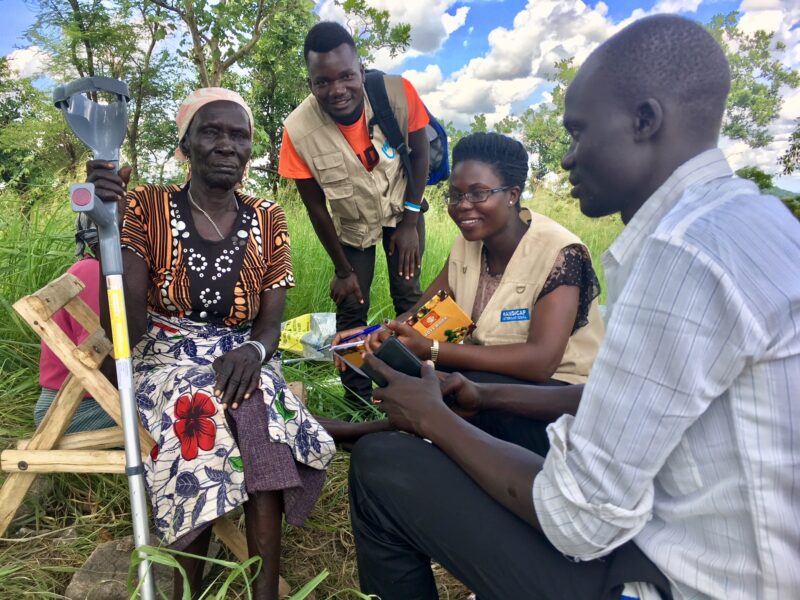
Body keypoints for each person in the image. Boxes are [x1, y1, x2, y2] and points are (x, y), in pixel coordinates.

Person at [346, 14, 800, 600]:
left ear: (645, 121)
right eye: (454, 194)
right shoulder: (757, 223)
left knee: (382, 470)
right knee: (475, 396)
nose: (567, 159)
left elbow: (580, 519)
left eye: (579, 133)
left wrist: (435, 418)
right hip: (719, 545)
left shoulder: (681, 255)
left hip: (683, 580)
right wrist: (478, 392)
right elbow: (645, 401)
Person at [88, 87, 335, 600]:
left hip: (236, 351)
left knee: (255, 398)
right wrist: (102, 225)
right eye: (212, 132)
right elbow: (129, 328)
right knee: (198, 406)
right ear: (186, 146)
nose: (227, 145)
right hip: (162, 352)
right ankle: (185, 587)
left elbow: (269, 325)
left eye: (239, 135)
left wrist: (254, 353)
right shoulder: (146, 206)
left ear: (249, 149)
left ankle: (264, 589)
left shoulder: (269, 217)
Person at [279, 21, 430, 406]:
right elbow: (315, 205)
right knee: (351, 308)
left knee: (409, 299)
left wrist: (411, 221)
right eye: (323, 82)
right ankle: (358, 405)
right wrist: (343, 270)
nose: (337, 90)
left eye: (346, 76)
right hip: (352, 225)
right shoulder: (297, 130)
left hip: (402, 210)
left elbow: (421, 152)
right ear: (311, 84)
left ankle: (414, 394)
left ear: (361, 71)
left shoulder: (398, 92)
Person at [35, 214, 116, 433]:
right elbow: (96, 356)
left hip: (82, 399)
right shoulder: (92, 273)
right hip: (71, 409)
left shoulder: (94, 269)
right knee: (171, 404)